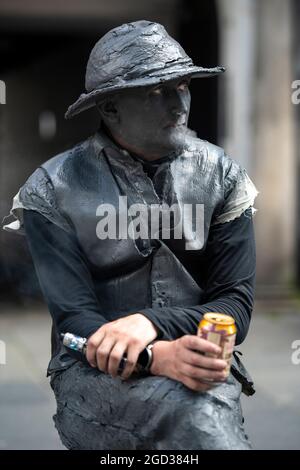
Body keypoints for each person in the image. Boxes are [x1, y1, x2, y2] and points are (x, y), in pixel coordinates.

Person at [2, 20, 258, 450]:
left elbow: (236, 304)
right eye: (155, 92)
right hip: (93, 373)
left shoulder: (223, 176)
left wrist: (151, 324)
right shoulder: (52, 188)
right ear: (110, 108)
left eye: (182, 86)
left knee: (208, 427)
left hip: (200, 364)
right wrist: (154, 356)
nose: (178, 105)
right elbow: (74, 321)